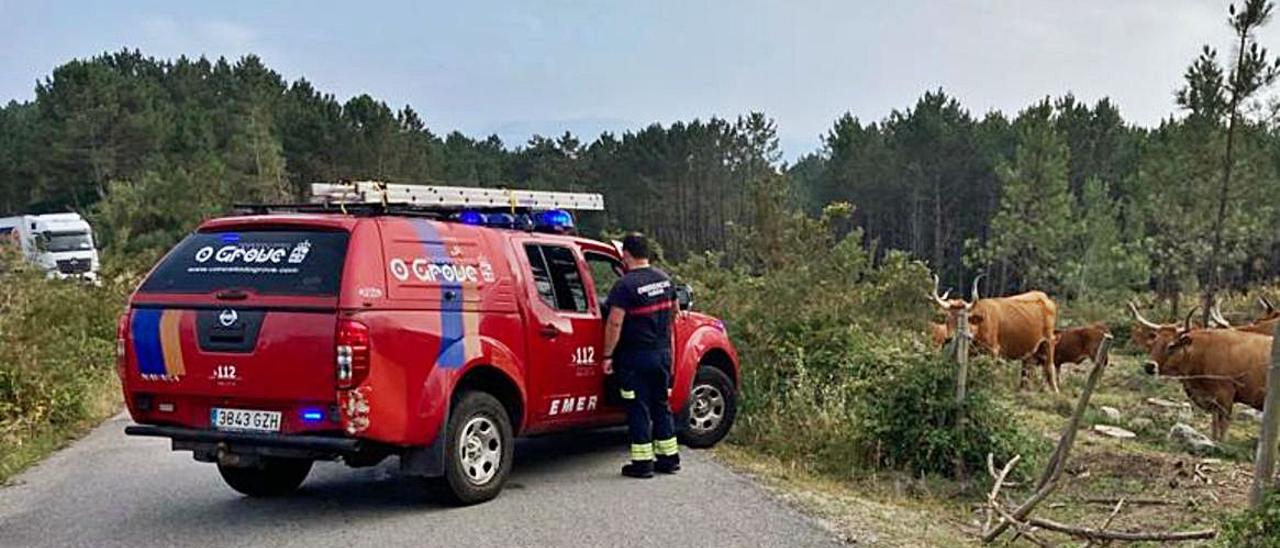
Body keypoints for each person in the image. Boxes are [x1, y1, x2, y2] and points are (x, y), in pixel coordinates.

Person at [602, 232, 679, 479]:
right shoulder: (665, 280)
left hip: (636, 358)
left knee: (638, 408)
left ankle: (643, 463)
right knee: (661, 405)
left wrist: (607, 356)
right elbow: (675, 312)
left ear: (625, 255)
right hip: (663, 354)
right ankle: (669, 459)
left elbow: (614, 323)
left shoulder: (624, 286)